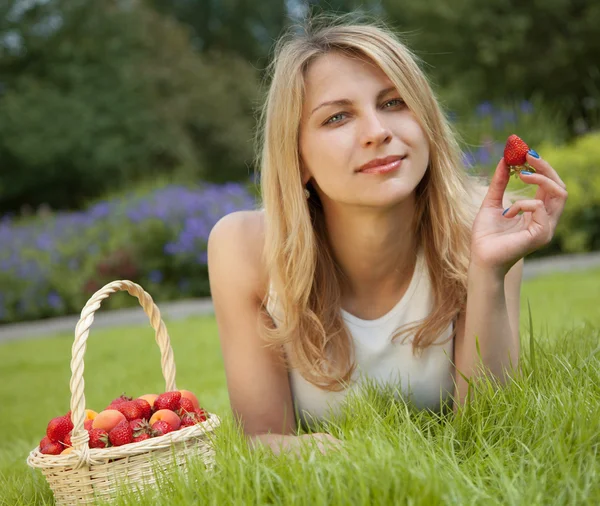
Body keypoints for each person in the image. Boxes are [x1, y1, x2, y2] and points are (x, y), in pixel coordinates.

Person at [207, 14, 568, 457]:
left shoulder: (481, 219)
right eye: (338, 117)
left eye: (394, 102)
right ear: (296, 158)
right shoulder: (244, 248)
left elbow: (495, 432)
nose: (378, 132)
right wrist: (340, 459)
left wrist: (489, 270)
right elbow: (257, 442)